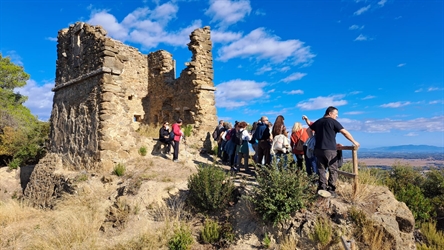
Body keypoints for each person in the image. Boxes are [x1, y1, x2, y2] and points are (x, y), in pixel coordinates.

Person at [304, 106, 360, 197]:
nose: (336, 117)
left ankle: (322, 188)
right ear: (330, 113)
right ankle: (331, 190)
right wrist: (354, 141)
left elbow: (308, 129)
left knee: (321, 169)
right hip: (329, 149)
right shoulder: (333, 122)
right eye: (336, 114)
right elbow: (345, 132)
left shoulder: (319, 121)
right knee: (333, 169)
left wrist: (312, 139)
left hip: (318, 149)